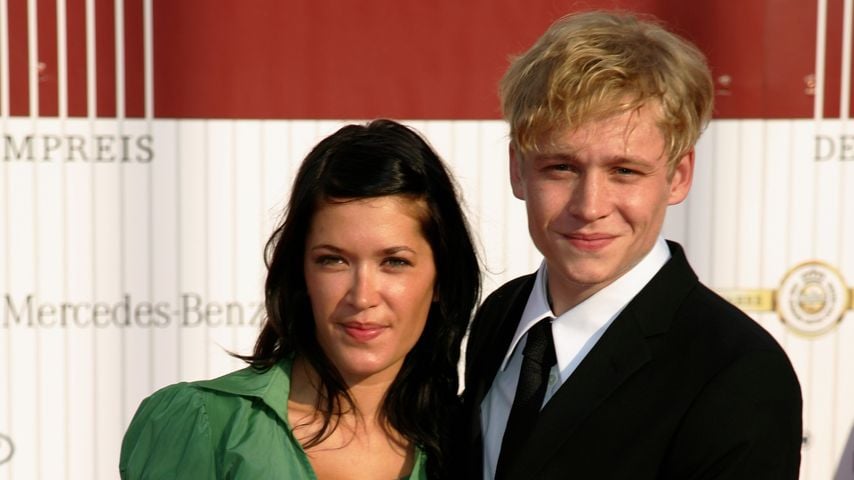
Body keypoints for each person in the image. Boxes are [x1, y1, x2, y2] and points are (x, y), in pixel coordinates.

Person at [461, 10, 803, 480]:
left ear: (678, 176)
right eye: (561, 167)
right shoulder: (500, 317)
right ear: (518, 169)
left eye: (624, 171)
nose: (590, 205)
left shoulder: (738, 374)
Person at [119, 119, 480, 479]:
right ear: (301, 272)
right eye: (333, 260)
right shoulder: (206, 426)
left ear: (441, 280)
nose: (362, 295)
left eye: (394, 262)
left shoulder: (474, 445)